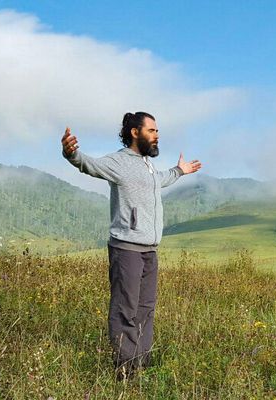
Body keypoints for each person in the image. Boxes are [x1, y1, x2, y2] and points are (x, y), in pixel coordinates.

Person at [61, 111, 202, 380]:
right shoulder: (119, 161)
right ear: (135, 133)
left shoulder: (147, 165)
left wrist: (179, 171)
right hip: (126, 248)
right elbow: (87, 164)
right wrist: (71, 154)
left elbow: (158, 180)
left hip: (150, 250)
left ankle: (141, 363)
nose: (157, 135)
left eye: (158, 131)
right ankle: (125, 369)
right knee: (125, 309)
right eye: (152, 131)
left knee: (146, 308)